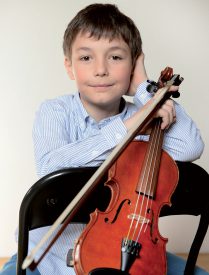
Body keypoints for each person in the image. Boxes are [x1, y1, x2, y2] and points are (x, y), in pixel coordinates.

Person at [1, 3, 208, 275]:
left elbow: (190, 146)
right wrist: (132, 126)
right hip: (49, 257)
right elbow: (51, 167)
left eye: (116, 58)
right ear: (69, 67)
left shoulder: (147, 113)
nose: (101, 70)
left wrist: (148, 90)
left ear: (133, 65)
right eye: (86, 58)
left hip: (125, 251)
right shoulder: (54, 111)